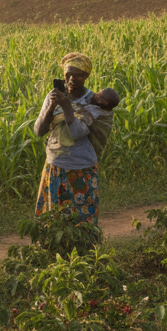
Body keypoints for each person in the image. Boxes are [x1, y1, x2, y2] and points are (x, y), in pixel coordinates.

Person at [33, 52, 101, 224]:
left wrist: (66, 107)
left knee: (82, 223)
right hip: (54, 168)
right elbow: (39, 131)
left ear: (86, 75)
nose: (71, 78)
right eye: (68, 74)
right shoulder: (53, 95)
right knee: (54, 222)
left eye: (77, 74)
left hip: (81, 170)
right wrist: (52, 107)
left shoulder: (92, 101)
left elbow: (78, 133)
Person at [83, 88, 121, 160]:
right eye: (98, 95)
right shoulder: (99, 105)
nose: (97, 98)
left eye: (102, 100)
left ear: (108, 106)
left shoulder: (98, 113)